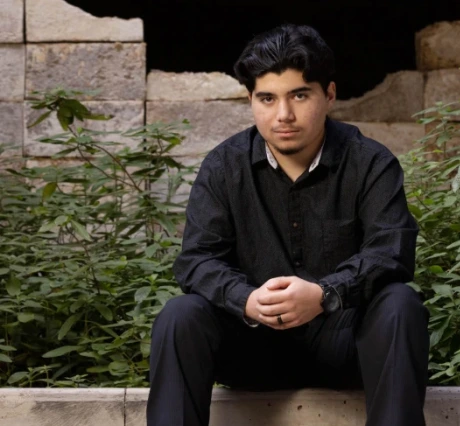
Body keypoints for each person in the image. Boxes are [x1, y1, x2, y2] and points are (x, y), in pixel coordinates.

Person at [146, 24, 430, 426]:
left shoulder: (370, 162)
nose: (284, 114)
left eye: (299, 95)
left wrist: (324, 294)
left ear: (329, 94)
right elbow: (196, 261)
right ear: (250, 100)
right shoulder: (224, 166)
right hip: (253, 347)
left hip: (345, 344)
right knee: (180, 316)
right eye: (267, 98)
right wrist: (245, 299)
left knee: (401, 304)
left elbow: (392, 252)